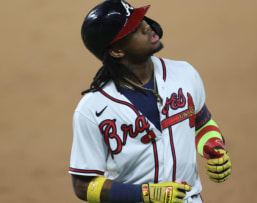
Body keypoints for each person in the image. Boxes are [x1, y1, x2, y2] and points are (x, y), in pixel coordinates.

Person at [68, 0, 232, 202]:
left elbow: (201, 122)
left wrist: (214, 147)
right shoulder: (92, 110)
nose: (147, 27)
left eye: (142, 20)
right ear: (116, 51)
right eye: (135, 29)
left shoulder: (185, 74)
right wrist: (145, 194)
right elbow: (82, 186)